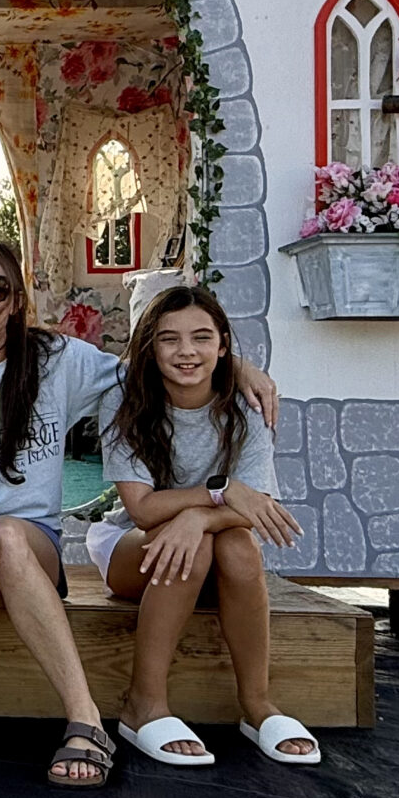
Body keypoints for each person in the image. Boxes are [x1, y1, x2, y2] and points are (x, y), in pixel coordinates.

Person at [0, 239, 279, 787]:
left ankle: (84, 717)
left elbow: (148, 366)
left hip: (23, 542)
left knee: (8, 536)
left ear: (15, 299)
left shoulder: (58, 361)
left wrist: (235, 364)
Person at [88, 284, 318, 767]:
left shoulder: (247, 407)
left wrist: (198, 514)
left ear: (224, 346)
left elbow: (257, 506)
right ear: (150, 348)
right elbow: (145, 510)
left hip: (209, 549)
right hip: (129, 548)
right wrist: (219, 491)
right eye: (169, 339)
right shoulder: (125, 403)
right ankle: (143, 703)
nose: (186, 351)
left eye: (201, 337)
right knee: (197, 544)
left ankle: (257, 704)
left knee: (236, 544)